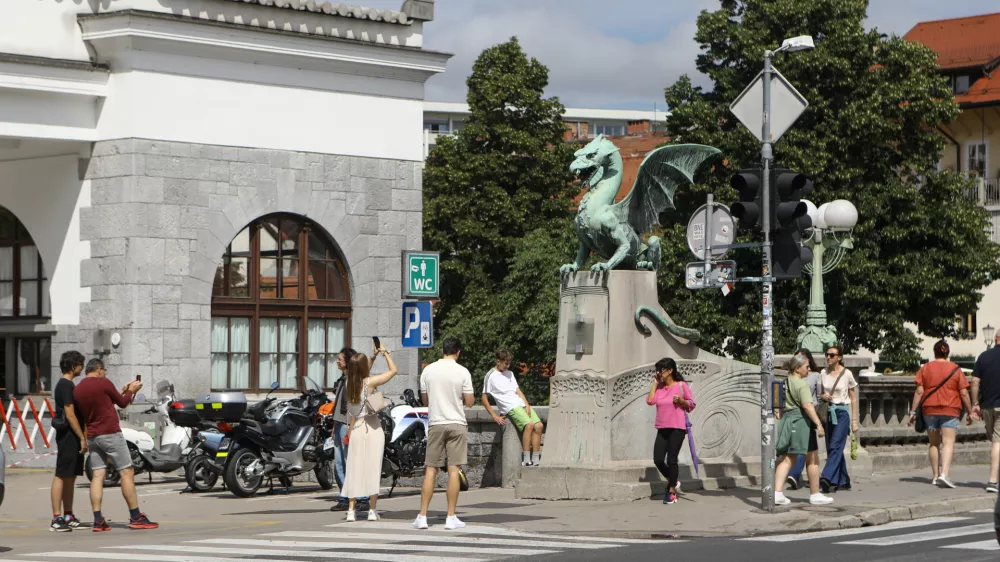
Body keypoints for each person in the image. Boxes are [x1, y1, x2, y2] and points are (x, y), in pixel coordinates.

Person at [73, 359, 157, 531]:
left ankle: (98, 520)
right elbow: (123, 403)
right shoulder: (103, 382)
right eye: (104, 370)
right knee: (126, 471)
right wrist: (132, 391)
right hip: (110, 433)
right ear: (98, 370)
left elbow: (105, 403)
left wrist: (124, 390)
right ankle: (136, 516)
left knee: (98, 475)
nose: (105, 373)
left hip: (93, 435)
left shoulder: (79, 388)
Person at [413, 336, 474, 531]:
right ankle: (451, 517)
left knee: (431, 469)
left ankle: (423, 516)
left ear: (442, 351)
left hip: (436, 423)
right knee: (454, 470)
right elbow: (470, 401)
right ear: (458, 352)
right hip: (457, 423)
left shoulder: (428, 370)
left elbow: (425, 400)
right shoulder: (463, 371)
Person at [909, 339, 977, 488]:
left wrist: (912, 412)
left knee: (933, 443)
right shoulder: (955, 369)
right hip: (950, 409)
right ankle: (944, 475)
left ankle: (935, 476)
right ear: (947, 353)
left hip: (929, 409)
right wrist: (970, 411)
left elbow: (919, 392)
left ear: (934, 353)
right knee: (948, 442)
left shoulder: (925, 368)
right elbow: (964, 393)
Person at [341, 345, 398, 522]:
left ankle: (351, 510)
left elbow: (360, 371)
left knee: (354, 469)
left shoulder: (348, 382)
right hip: (372, 428)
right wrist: (385, 353)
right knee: (373, 469)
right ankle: (372, 510)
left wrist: (371, 358)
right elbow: (393, 371)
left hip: (357, 428)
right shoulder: (370, 383)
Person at [774, 354, 833, 506]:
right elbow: (807, 406)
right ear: (797, 368)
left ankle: (777, 492)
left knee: (788, 458)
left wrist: (780, 414)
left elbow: (779, 405)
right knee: (812, 458)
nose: (809, 369)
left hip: (788, 421)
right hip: (801, 422)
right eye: (806, 366)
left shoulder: (785, 382)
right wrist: (818, 424)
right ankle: (815, 494)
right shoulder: (801, 384)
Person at [481, 349, 544, 467]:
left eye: (509, 363)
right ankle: (526, 459)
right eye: (505, 363)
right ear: (498, 361)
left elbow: (518, 391)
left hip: (520, 403)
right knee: (529, 425)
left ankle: (536, 459)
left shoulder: (510, 373)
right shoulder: (490, 375)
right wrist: (494, 416)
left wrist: (527, 404)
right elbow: (484, 398)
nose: (508, 366)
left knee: (539, 426)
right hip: (509, 406)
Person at [645, 357, 695, 505]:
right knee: (658, 459)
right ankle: (672, 480)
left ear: (670, 370)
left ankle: (672, 491)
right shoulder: (659, 387)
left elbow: (692, 404)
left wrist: (681, 401)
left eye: (661, 369)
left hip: (677, 428)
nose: (658, 372)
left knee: (671, 459)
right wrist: (655, 383)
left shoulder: (681, 385)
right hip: (662, 428)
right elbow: (650, 401)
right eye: (657, 370)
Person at [49, 350, 87, 532]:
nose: (82, 367)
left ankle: (68, 515)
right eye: (80, 364)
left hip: (73, 435)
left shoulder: (69, 385)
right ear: (73, 366)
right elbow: (70, 414)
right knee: (62, 474)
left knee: (70, 476)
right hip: (68, 436)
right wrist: (81, 437)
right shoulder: (65, 385)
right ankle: (56, 518)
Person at [330, 347, 369, 513]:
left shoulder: (354, 380)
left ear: (348, 362)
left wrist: (350, 429)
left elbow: (354, 408)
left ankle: (362, 498)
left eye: (340, 359)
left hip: (347, 425)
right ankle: (344, 497)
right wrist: (334, 427)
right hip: (339, 424)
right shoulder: (343, 379)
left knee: (351, 463)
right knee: (339, 464)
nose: (337, 361)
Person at [818, 345, 860, 493]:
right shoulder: (823, 373)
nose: (828, 357)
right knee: (832, 446)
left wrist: (854, 421)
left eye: (832, 355)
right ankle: (843, 480)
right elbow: (820, 393)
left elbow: (853, 398)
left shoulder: (847, 373)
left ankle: (827, 477)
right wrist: (824, 396)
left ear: (839, 357)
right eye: (827, 355)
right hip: (828, 412)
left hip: (842, 413)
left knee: (836, 445)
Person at [786, 348, 821, 491]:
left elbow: (817, 397)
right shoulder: (796, 381)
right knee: (807, 452)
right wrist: (818, 424)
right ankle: (812, 490)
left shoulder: (814, 376)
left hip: (804, 414)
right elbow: (806, 404)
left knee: (802, 450)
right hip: (800, 415)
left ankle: (792, 479)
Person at [971, 331, 1000, 492]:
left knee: (995, 440)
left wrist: (975, 404)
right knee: (998, 442)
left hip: (987, 406)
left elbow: (975, 381)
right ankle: (993, 481)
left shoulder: (983, 357)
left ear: (995, 339)